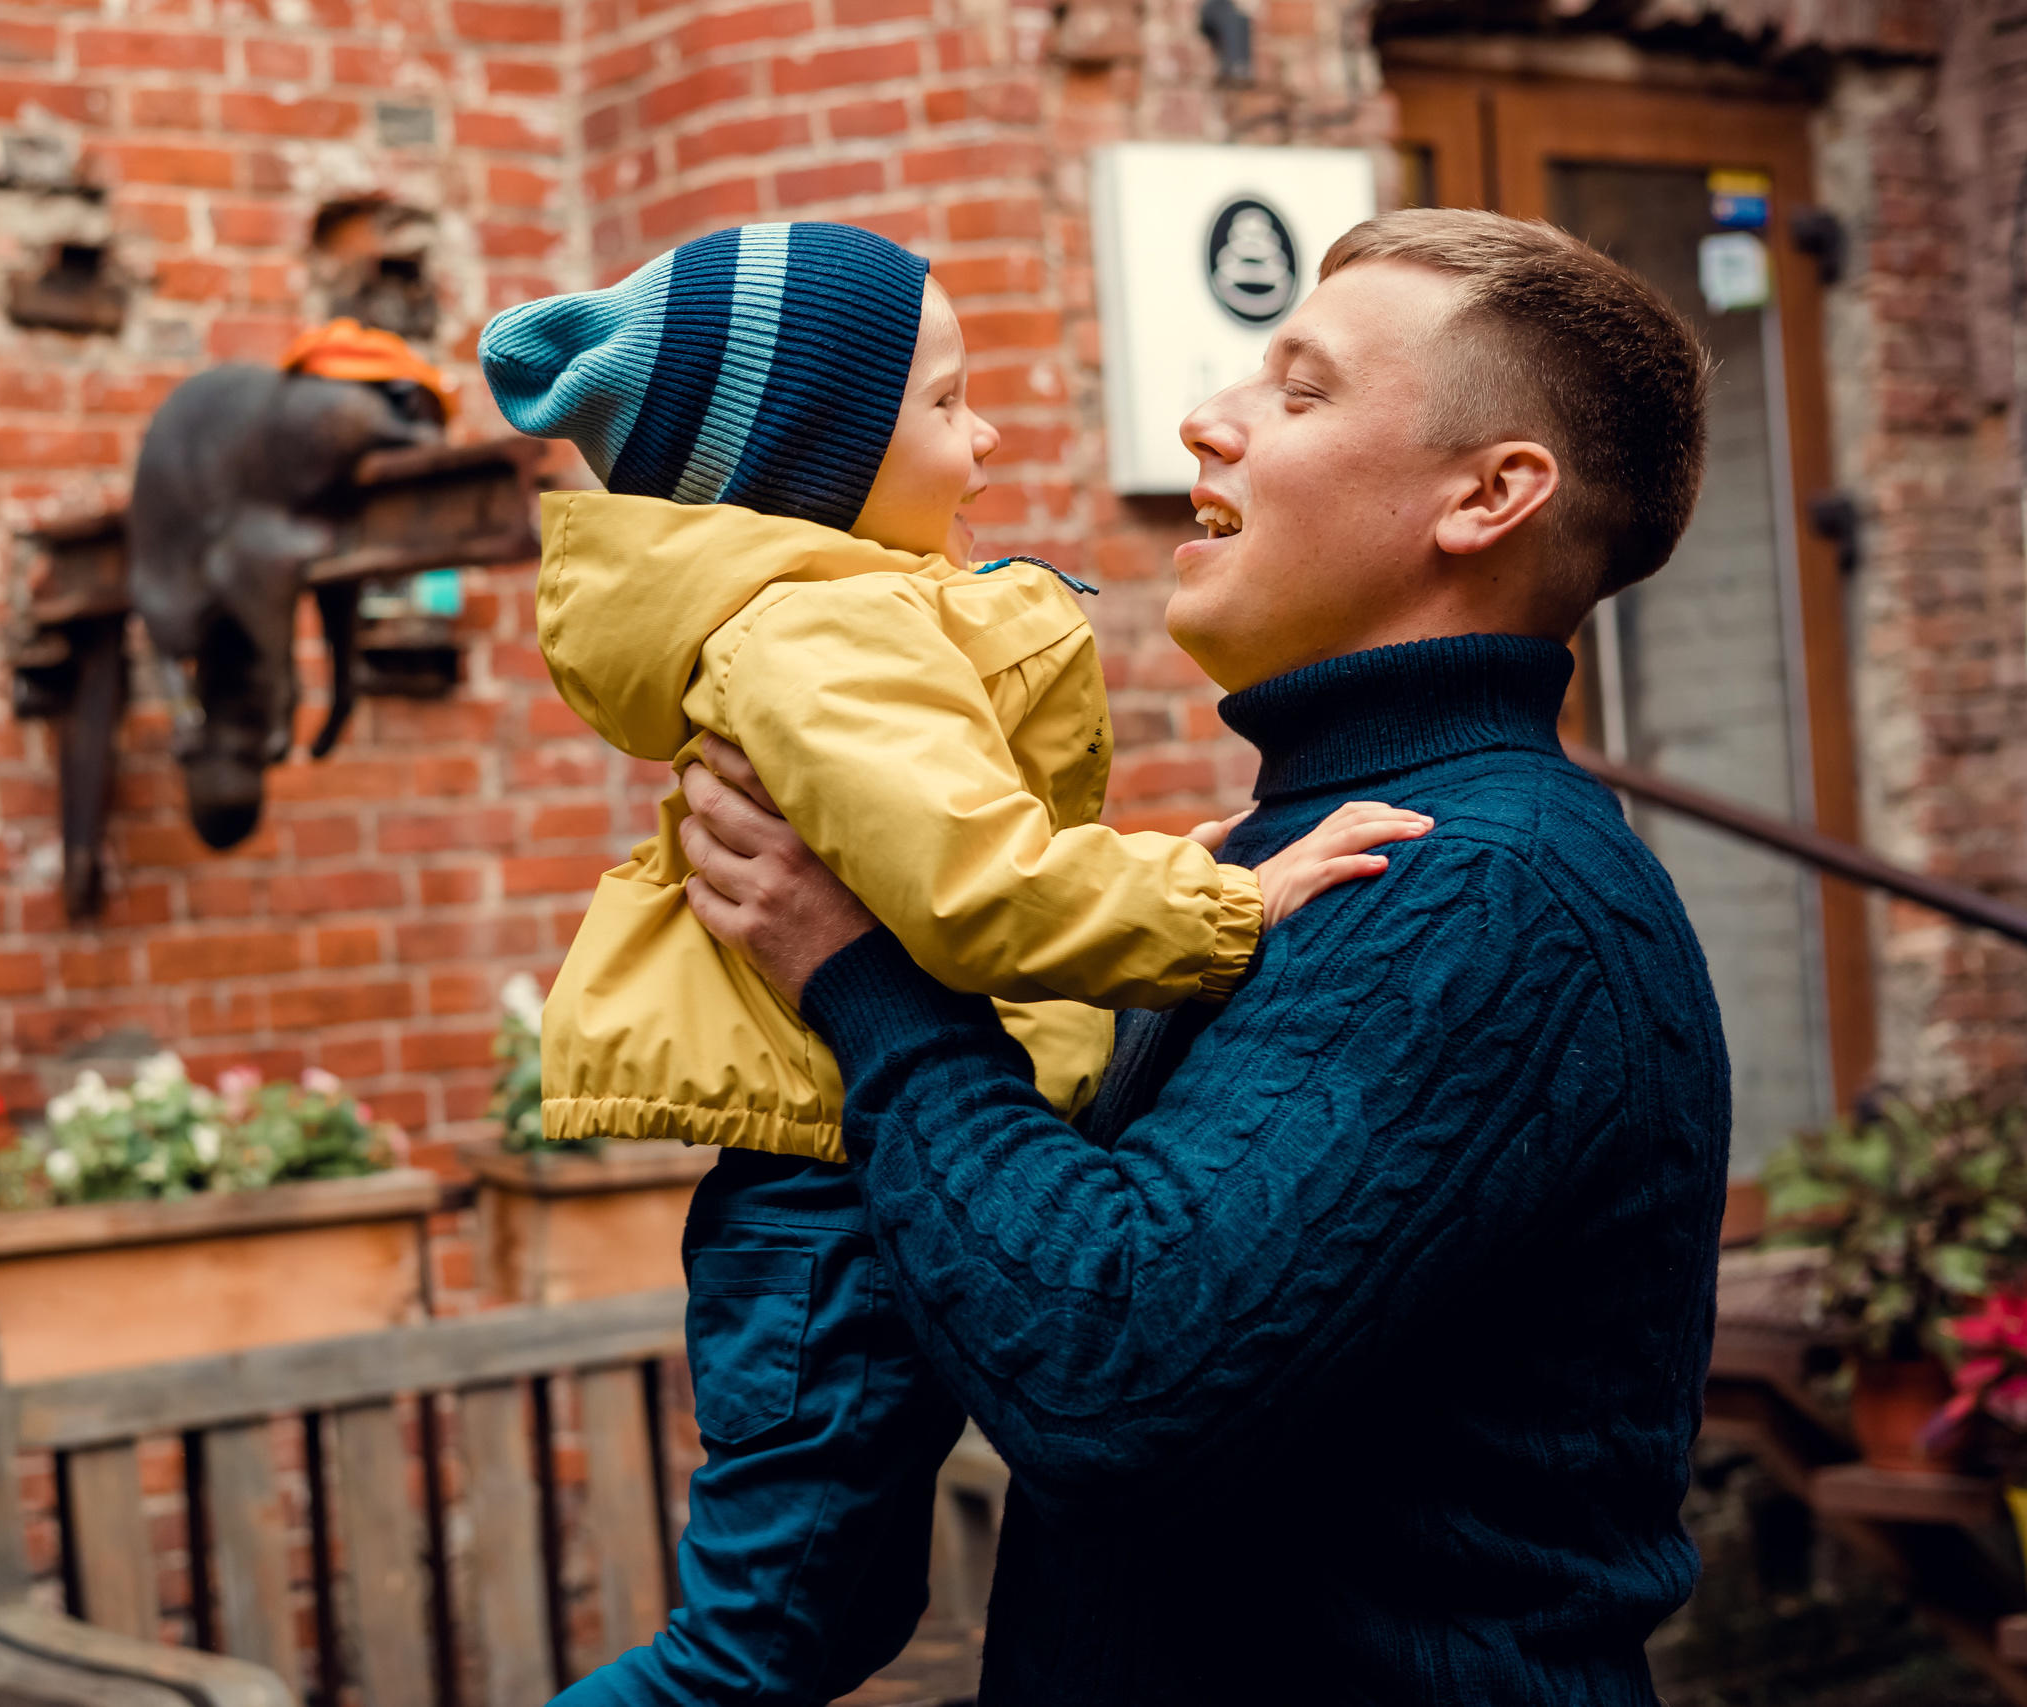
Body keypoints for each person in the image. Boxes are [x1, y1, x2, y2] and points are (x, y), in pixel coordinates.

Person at [674, 208, 1733, 1704]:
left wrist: (861, 979)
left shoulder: (1486, 892)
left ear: (1491, 496)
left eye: (1301, 394)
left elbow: (1113, 1378)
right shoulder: (1297, 856)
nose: (1207, 420)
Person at [476, 221, 1427, 1706]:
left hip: (842, 1191)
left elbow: (945, 845)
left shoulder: (843, 618)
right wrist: (1228, 904)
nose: (982, 437)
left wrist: (1195, 859)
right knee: (754, 1651)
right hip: (830, 1214)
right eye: (942, 402)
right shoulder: (822, 634)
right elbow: (980, 888)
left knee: (834, 1625)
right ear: (816, 452)